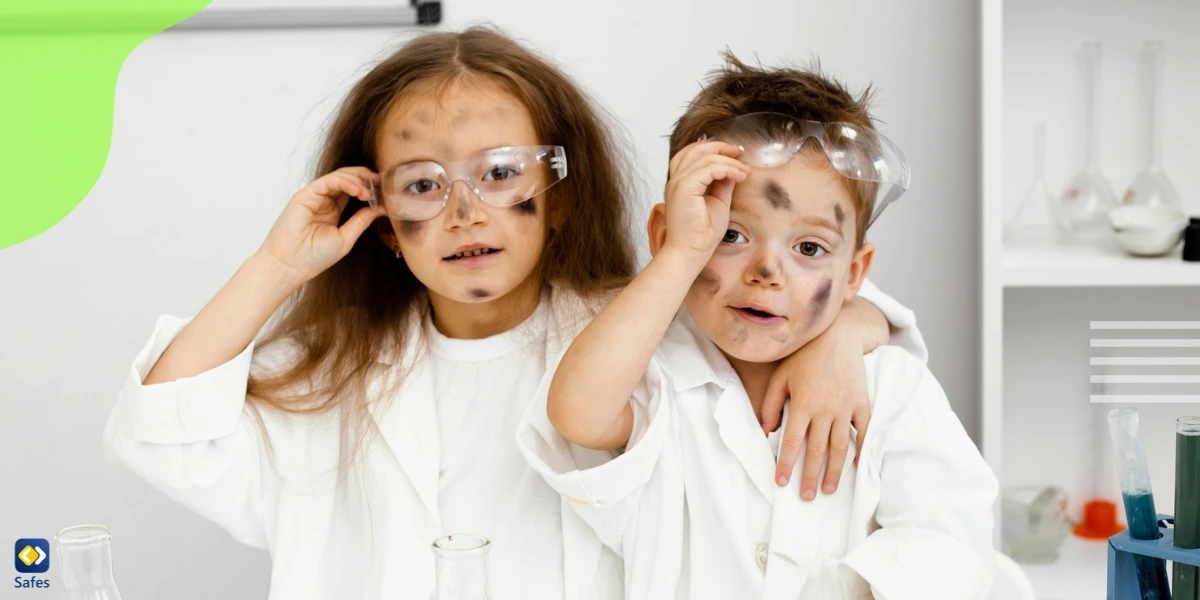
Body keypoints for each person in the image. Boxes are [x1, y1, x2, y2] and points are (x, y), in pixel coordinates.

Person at [104, 29, 926, 600]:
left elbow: (764, 304)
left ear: (559, 197)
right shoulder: (330, 379)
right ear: (384, 221)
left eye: (502, 173)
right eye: (423, 184)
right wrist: (277, 266)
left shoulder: (642, 336)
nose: (465, 213)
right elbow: (166, 431)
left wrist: (853, 332)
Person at [521, 54, 997, 599]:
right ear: (665, 235)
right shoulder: (651, 375)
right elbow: (576, 414)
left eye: (809, 247)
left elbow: (952, 541)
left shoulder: (892, 388)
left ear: (854, 274)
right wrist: (681, 256)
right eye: (730, 234)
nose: (766, 271)